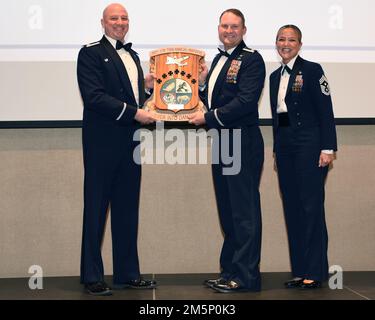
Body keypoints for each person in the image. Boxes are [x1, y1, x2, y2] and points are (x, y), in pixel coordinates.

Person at [77, 3, 157, 296]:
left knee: (127, 210)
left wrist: (148, 89)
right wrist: (136, 113)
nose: (120, 23)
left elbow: (132, 97)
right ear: (103, 22)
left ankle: (127, 273)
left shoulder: (133, 55)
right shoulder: (90, 53)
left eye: (124, 18)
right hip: (101, 144)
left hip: (130, 143)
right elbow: (94, 97)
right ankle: (91, 276)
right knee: (96, 210)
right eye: (114, 18)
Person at [188, 9, 265, 292]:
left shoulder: (252, 59)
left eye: (234, 26)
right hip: (223, 141)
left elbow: (244, 102)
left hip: (241, 140)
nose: (229, 30)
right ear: (218, 28)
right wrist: (203, 82)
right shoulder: (220, 58)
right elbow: (213, 99)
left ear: (244, 30)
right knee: (228, 210)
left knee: (244, 212)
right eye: (224, 26)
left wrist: (207, 118)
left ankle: (246, 278)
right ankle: (229, 270)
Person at [269, 25, 337, 289]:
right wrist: (277, 149)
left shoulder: (312, 70)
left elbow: (325, 110)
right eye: (281, 39)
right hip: (286, 148)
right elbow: (279, 118)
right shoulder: (275, 76)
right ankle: (300, 270)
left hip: (310, 146)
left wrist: (328, 147)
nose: (285, 44)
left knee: (311, 209)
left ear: (299, 44)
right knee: (293, 209)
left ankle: (315, 272)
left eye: (291, 40)